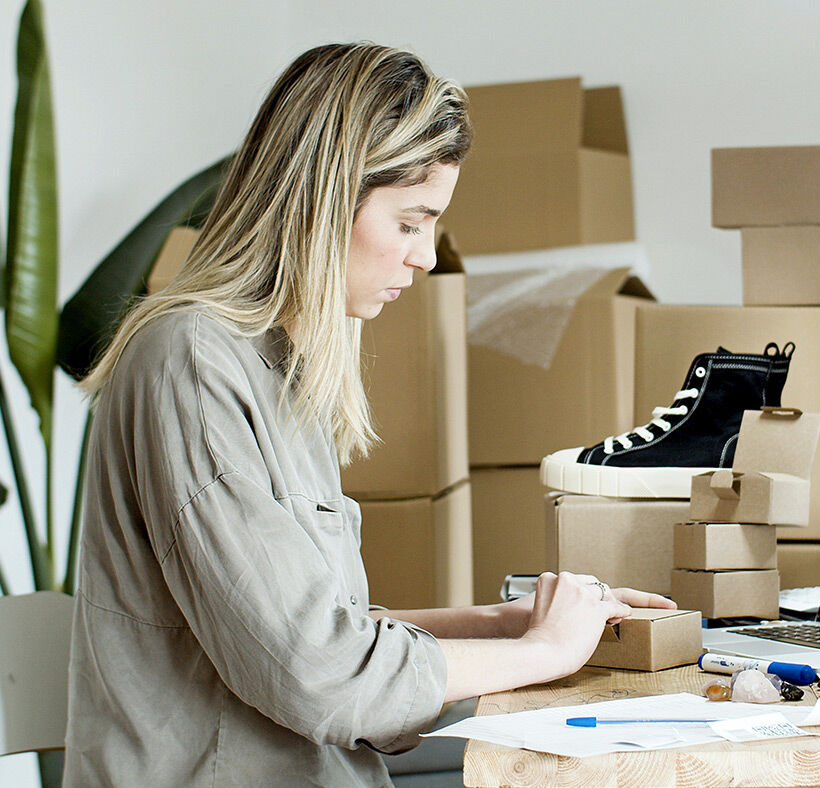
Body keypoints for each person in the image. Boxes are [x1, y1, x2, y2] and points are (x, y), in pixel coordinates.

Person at [64, 42, 674, 786]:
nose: (423, 257)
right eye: (411, 223)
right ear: (325, 199)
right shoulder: (192, 365)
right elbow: (320, 673)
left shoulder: (279, 368)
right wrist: (543, 652)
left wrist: (504, 624)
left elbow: (322, 632)